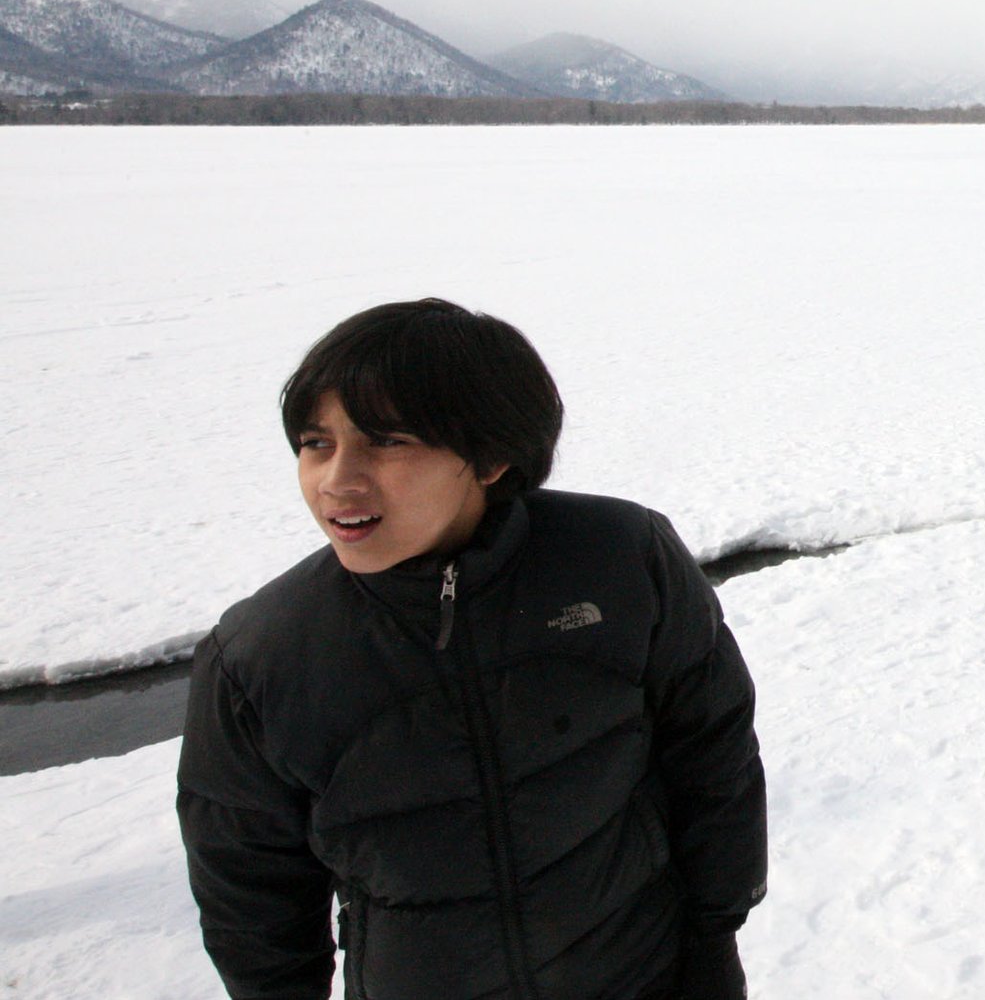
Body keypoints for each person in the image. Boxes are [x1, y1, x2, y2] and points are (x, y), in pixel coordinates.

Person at [177, 298, 766, 1000]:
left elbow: (713, 759)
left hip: (643, 976)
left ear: (490, 456)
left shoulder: (621, 559)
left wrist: (711, 940)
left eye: (386, 441)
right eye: (317, 443)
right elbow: (251, 898)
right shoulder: (260, 657)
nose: (337, 479)